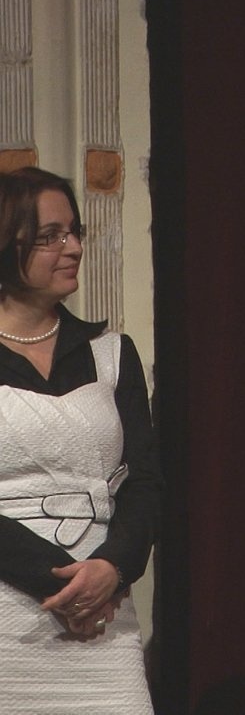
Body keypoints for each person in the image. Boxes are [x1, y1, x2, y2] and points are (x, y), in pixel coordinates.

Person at [0, 167, 160, 711]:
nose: (72, 248)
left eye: (74, 232)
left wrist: (111, 570)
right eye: (51, 236)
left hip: (104, 618)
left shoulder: (111, 352)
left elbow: (145, 482)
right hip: (11, 613)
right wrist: (64, 586)